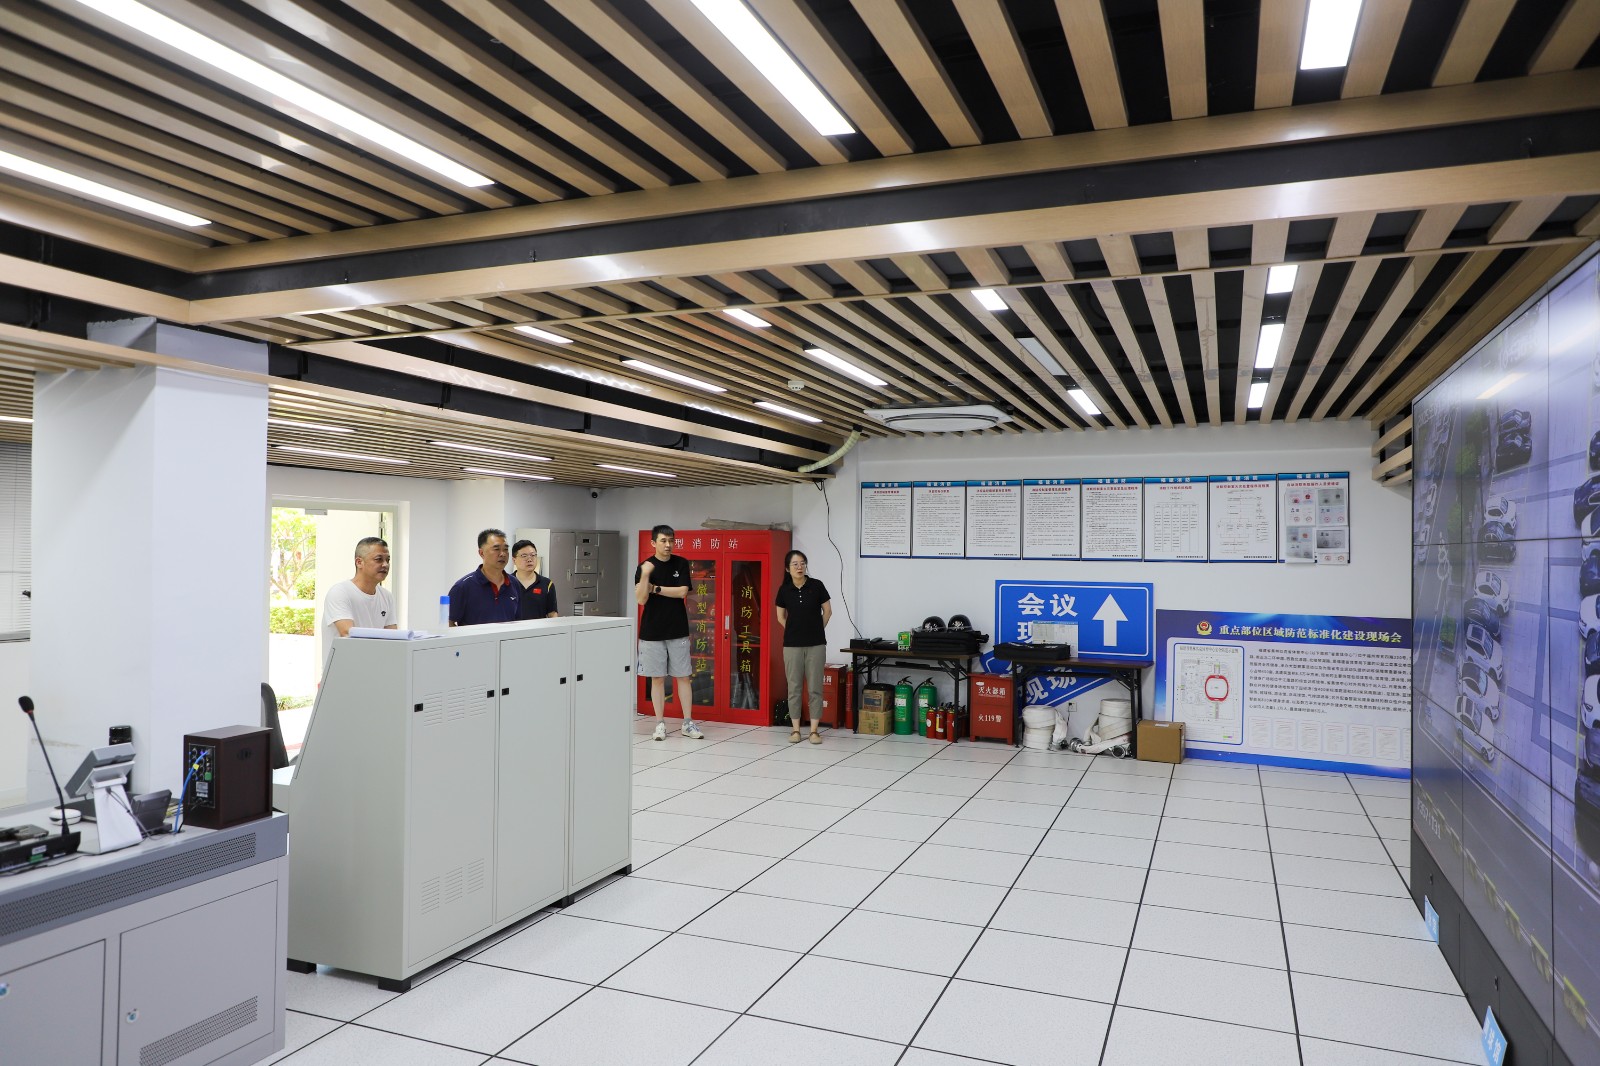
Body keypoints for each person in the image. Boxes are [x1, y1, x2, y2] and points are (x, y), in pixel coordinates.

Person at [635, 524, 701, 741]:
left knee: (683, 676)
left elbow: (682, 591)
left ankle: (688, 723)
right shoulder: (644, 567)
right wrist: (646, 576)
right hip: (652, 631)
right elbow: (641, 599)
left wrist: (656, 589)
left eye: (671, 540)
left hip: (677, 630)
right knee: (657, 679)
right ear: (653, 543)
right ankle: (660, 724)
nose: (668, 544)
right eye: (663, 540)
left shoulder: (680, 563)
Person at [774, 549, 832, 744]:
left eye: (802, 563)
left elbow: (828, 611)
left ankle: (814, 731)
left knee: (815, 688)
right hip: (792, 646)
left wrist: (816, 629)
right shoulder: (784, 590)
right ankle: (796, 730)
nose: (799, 567)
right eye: (795, 564)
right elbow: (780, 617)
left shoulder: (816, 586)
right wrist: (794, 629)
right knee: (794, 688)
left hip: (816, 644)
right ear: (787, 568)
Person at [322, 537, 397, 665]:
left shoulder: (387, 596)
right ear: (359, 562)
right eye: (378, 559)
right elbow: (348, 634)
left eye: (388, 560)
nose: (385, 565)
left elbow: (393, 638)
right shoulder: (339, 592)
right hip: (342, 672)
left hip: (375, 669)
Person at [448, 528, 521, 625]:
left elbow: (518, 620)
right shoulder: (463, 587)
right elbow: (449, 623)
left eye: (506, 549)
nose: (503, 554)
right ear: (481, 553)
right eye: (496, 549)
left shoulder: (514, 583)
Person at [511, 539, 559, 619]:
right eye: (524, 556)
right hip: (513, 627)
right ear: (514, 560)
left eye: (533, 555)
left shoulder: (547, 584)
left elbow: (552, 613)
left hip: (539, 627)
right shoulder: (505, 583)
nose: (529, 559)